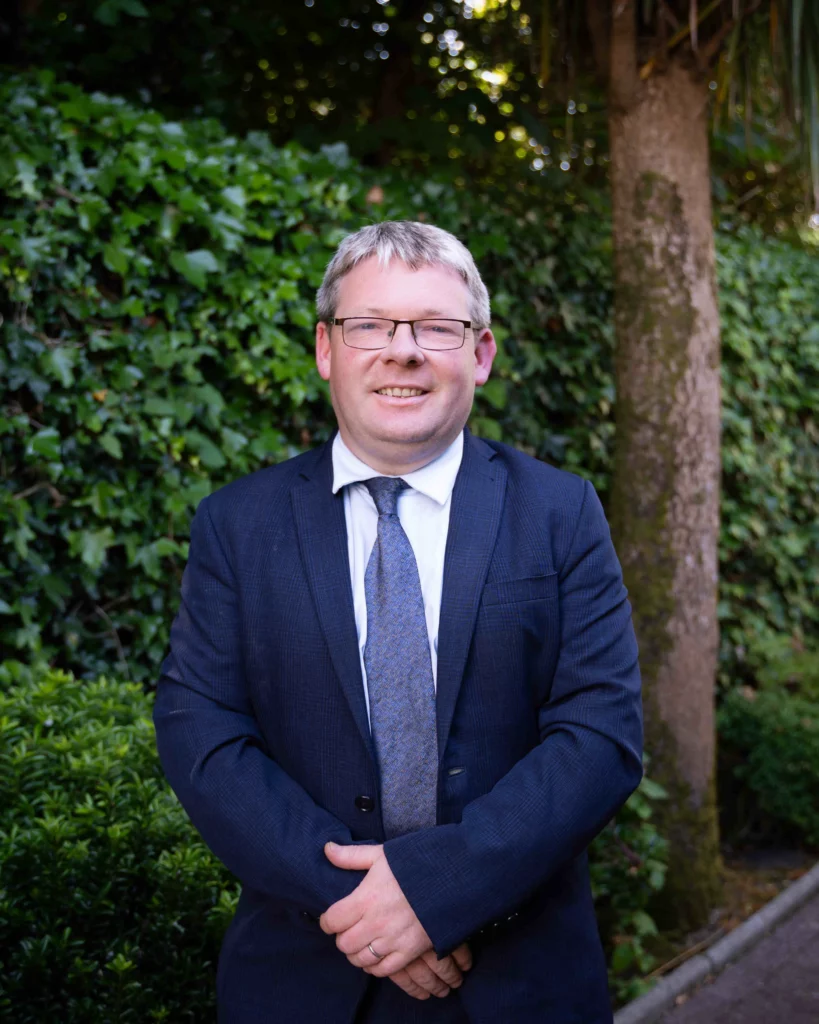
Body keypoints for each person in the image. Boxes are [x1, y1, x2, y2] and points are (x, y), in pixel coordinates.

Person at [153, 220, 644, 1023]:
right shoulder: (235, 525)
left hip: (517, 982)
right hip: (304, 977)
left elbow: (600, 734)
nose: (401, 350)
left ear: (480, 354)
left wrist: (434, 893)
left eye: (436, 327)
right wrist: (363, 907)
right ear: (325, 349)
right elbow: (199, 728)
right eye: (370, 325)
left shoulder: (561, 513)